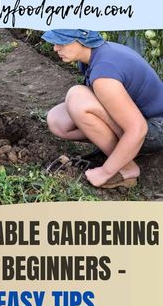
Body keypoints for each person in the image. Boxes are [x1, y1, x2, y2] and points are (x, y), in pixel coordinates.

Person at [41, 29, 163, 188]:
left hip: (156, 129)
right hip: (142, 120)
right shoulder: (94, 55)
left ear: (83, 40)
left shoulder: (104, 72)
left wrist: (105, 171)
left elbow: (138, 129)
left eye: (62, 42)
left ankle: (127, 169)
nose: (55, 48)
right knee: (58, 119)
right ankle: (121, 154)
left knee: (77, 97)